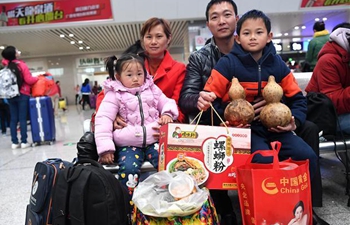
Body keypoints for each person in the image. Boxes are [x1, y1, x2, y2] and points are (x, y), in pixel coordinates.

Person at [198, 8, 318, 208]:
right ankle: (266, 210)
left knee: (307, 156)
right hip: (246, 133)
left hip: (277, 130)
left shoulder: (278, 64)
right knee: (262, 160)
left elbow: (298, 98)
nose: (252, 38)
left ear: (269, 36)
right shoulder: (227, 64)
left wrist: (293, 122)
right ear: (238, 39)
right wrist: (226, 121)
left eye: (259, 32)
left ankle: (305, 208)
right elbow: (211, 99)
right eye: (246, 33)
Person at [179, 1, 239, 224]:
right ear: (208, 24)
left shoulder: (252, 51)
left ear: (237, 19)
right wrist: (198, 99)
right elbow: (185, 99)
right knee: (212, 145)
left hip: (247, 124)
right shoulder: (199, 58)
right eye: (215, 17)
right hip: (213, 124)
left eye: (227, 15)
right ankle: (226, 211)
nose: (221, 21)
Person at [94, 53, 178, 192]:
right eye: (129, 75)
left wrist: (167, 114)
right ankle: (128, 203)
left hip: (154, 139)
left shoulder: (151, 89)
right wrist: (106, 149)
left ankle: (170, 195)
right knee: (128, 169)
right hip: (129, 143)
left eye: (139, 74)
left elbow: (167, 102)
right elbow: (103, 119)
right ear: (118, 76)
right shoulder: (114, 94)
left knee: (168, 163)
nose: (135, 79)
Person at [305, 22, 350, 135]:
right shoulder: (328, 60)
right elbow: (332, 102)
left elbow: (309, 58)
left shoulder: (313, 42)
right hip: (326, 116)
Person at [1, 46, 38, 149]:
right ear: (15, 54)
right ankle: (24, 141)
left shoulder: (6, 66)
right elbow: (29, 80)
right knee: (22, 118)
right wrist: (37, 78)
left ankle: (14, 142)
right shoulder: (21, 65)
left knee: (13, 119)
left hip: (10, 95)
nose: (18, 51)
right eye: (16, 50)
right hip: (22, 94)